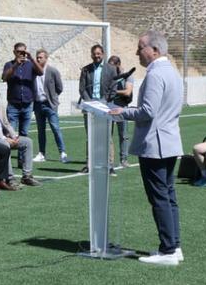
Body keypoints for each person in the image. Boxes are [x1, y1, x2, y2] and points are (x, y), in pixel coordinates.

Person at [109, 31, 184, 266]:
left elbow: (148, 111)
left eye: (140, 47)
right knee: (168, 195)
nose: (137, 52)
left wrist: (123, 112)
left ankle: (168, 249)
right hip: (169, 141)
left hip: (155, 144)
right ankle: (174, 246)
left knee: (160, 197)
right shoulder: (173, 72)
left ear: (155, 50)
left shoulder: (155, 74)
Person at [0, 80, 39, 187]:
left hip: (3, 136)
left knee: (27, 142)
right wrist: (4, 138)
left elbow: (6, 123)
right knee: (5, 145)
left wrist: (14, 136)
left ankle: (27, 176)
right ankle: (10, 178)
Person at [79, 45, 118, 171]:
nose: (96, 56)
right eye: (94, 54)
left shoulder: (111, 69)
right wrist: (90, 102)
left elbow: (113, 88)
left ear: (103, 54)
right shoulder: (86, 69)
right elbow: (82, 88)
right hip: (90, 106)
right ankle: (89, 164)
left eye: (98, 53)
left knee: (107, 136)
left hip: (105, 106)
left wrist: (104, 101)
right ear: (91, 55)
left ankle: (109, 165)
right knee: (90, 137)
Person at [1, 42, 42, 164]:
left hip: (27, 104)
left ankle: (22, 160)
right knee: (10, 133)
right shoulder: (9, 64)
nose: (21, 54)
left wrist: (32, 58)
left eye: (23, 51)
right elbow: (4, 77)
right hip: (13, 104)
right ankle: (6, 161)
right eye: (19, 52)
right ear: (14, 52)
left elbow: (41, 72)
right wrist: (15, 65)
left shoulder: (30, 65)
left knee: (24, 133)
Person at [32, 48, 67, 164]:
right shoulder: (33, 71)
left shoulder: (52, 71)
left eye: (41, 57)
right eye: (37, 57)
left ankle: (62, 153)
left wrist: (52, 97)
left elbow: (59, 87)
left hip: (50, 104)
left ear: (46, 58)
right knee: (40, 130)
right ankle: (42, 153)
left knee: (55, 128)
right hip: (38, 104)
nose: (38, 59)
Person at [107, 56, 134, 169]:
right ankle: (109, 161)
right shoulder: (108, 76)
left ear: (118, 65)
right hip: (108, 108)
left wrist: (113, 91)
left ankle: (124, 159)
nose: (110, 68)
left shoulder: (127, 76)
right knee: (108, 136)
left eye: (112, 66)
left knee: (123, 135)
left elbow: (127, 92)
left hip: (122, 109)